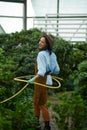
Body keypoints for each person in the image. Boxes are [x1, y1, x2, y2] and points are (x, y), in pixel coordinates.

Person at [28, 33, 60, 130]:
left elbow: (41, 72)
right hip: (47, 81)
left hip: (41, 81)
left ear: (47, 44)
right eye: (40, 41)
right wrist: (48, 70)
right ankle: (37, 123)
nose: (39, 43)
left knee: (41, 103)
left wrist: (33, 79)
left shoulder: (41, 54)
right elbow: (57, 70)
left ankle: (47, 126)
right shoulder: (52, 54)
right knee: (36, 102)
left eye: (42, 42)